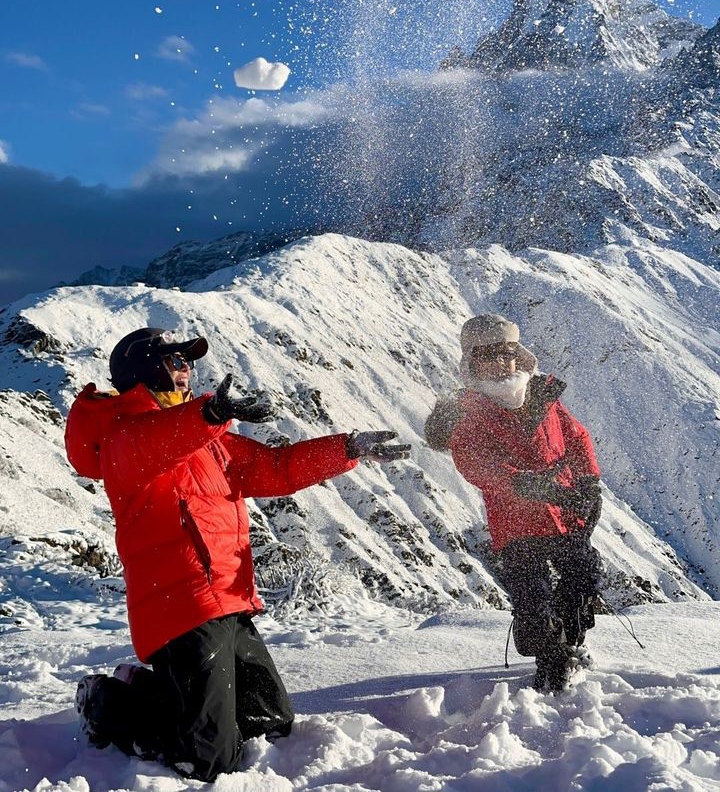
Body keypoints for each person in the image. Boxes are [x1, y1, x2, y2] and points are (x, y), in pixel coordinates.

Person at [65, 327, 410, 781]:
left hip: (228, 595)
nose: (186, 369)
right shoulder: (122, 437)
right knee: (205, 758)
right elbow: (161, 440)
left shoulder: (208, 440)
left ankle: (160, 691)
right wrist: (208, 413)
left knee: (268, 722)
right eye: (176, 361)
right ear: (146, 369)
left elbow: (275, 468)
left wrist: (345, 449)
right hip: (179, 604)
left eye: (188, 361)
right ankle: (107, 702)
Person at [425, 314, 603, 693]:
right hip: (517, 522)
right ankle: (551, 660)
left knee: (584, 576)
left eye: (508, 353)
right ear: (473, 362)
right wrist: (524, 484)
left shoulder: (540, 393)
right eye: (490, 355)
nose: (502, 362)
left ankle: (569, 645)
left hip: (564, 509)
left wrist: (589, 482)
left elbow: (576, 437)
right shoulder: (468, 411)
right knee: (532, 598)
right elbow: (474, 462)